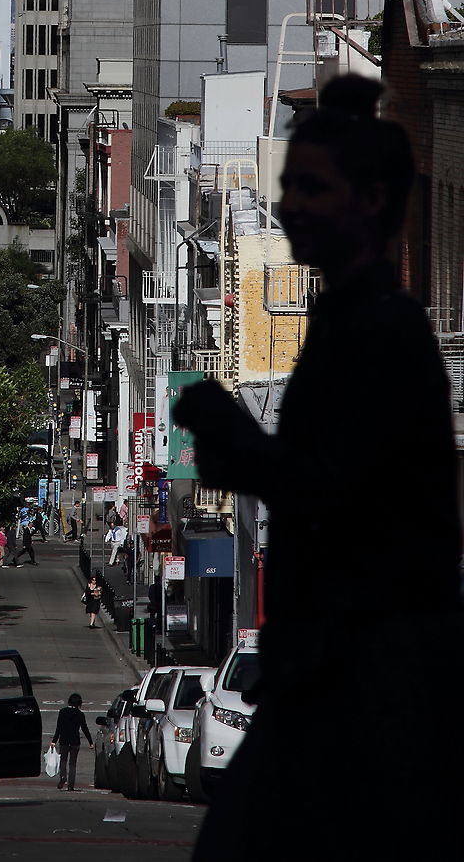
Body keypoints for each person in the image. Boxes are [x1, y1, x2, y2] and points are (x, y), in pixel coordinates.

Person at [173, 75, 463, 861]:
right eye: (285, 186)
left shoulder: (382, 330)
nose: (289, 206)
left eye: (312, 188)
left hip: (370, 678)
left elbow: (343, 493)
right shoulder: (348, 320)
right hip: (334, 675)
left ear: (371, 200)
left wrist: (240, 444)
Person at [50, 693, 94, 792]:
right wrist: (90, 742)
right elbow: (84, 728)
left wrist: (54, 741)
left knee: (63, 761)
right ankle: (71, 785)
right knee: (72, 764)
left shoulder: (62, 712)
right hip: (75, 741)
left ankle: (63, 777)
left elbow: (59, 728)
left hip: (64, 740)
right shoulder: (80, 714)